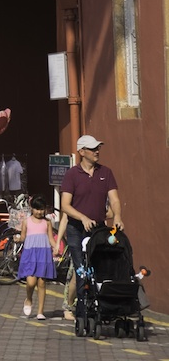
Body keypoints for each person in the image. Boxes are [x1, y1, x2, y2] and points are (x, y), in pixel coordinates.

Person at [59, 134, 123, 321]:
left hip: (98, 229)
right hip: (76, 230)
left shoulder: (106, 172)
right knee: (81, 270)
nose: (97, 151)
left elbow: (115, 199)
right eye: (93, 148)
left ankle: (102, 308)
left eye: (98, 148)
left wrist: (117, 215)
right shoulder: (72, 174)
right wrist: (83, 217)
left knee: (100, 268)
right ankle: (81, 314)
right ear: (81, 152)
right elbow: (65, 205)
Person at [17, 194, 57, 320]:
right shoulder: (26, 221)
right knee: (30, 282)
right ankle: (28, 298)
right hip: (30, 253)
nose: (39, 212)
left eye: (41, 209)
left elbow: (51, 238)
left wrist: (56, 247)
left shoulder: (48, 222)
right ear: (31, 208)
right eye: (36, 209)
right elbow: (23, 237)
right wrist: (18, 239)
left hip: (44, 254)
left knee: (42, 283)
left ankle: (40, 311)